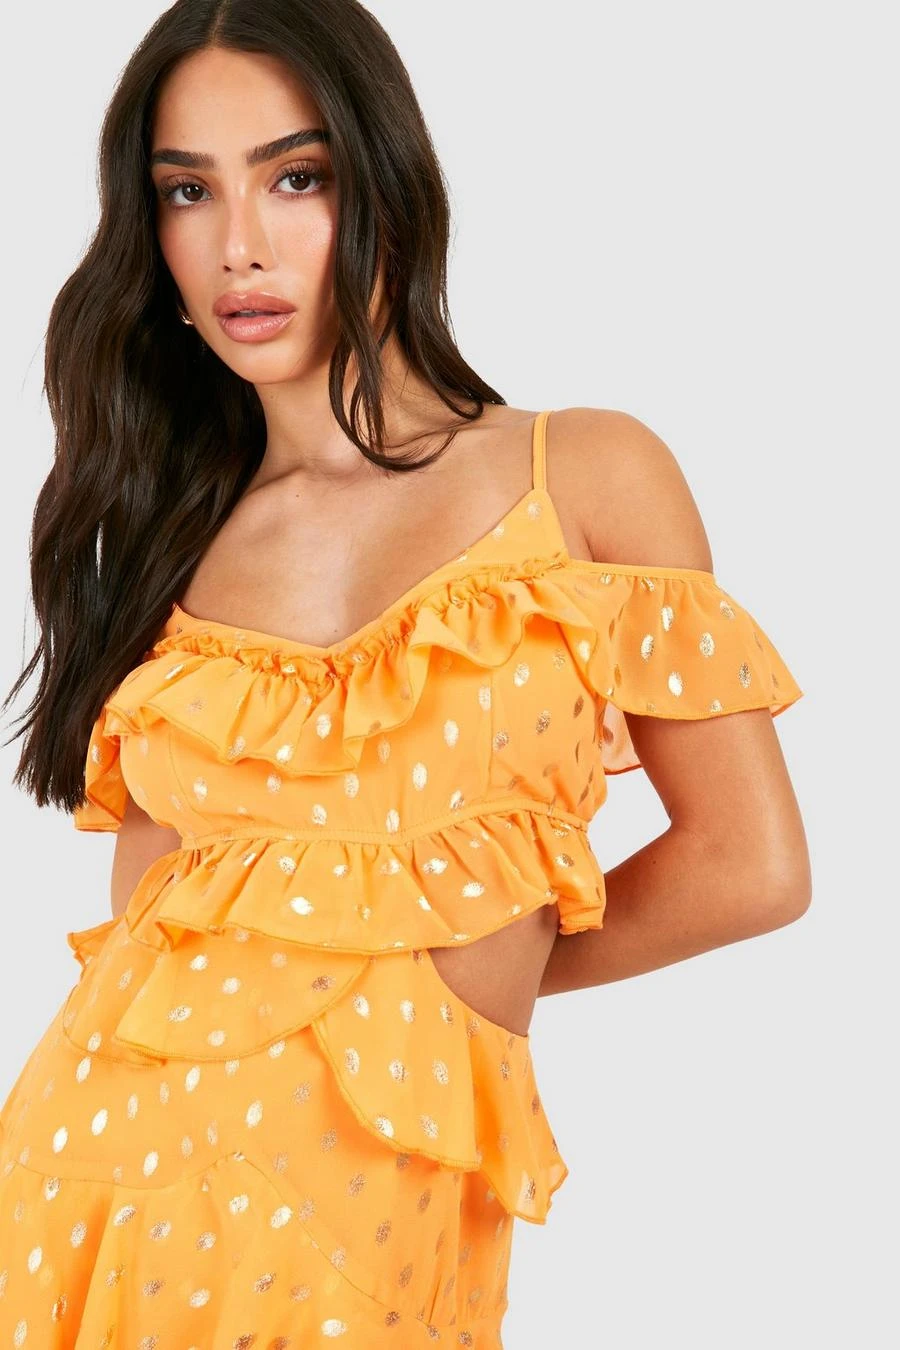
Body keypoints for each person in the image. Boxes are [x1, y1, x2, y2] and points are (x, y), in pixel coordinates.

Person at [0, 0, 809, 1341]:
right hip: (93, 1195)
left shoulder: (582, 474)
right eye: (189, 191)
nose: (240, 244)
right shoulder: (171, 549)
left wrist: (442, 980)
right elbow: (151, 949)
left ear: (387, 183)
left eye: (295, 178)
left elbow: (751, 864)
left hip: (373, 1237)